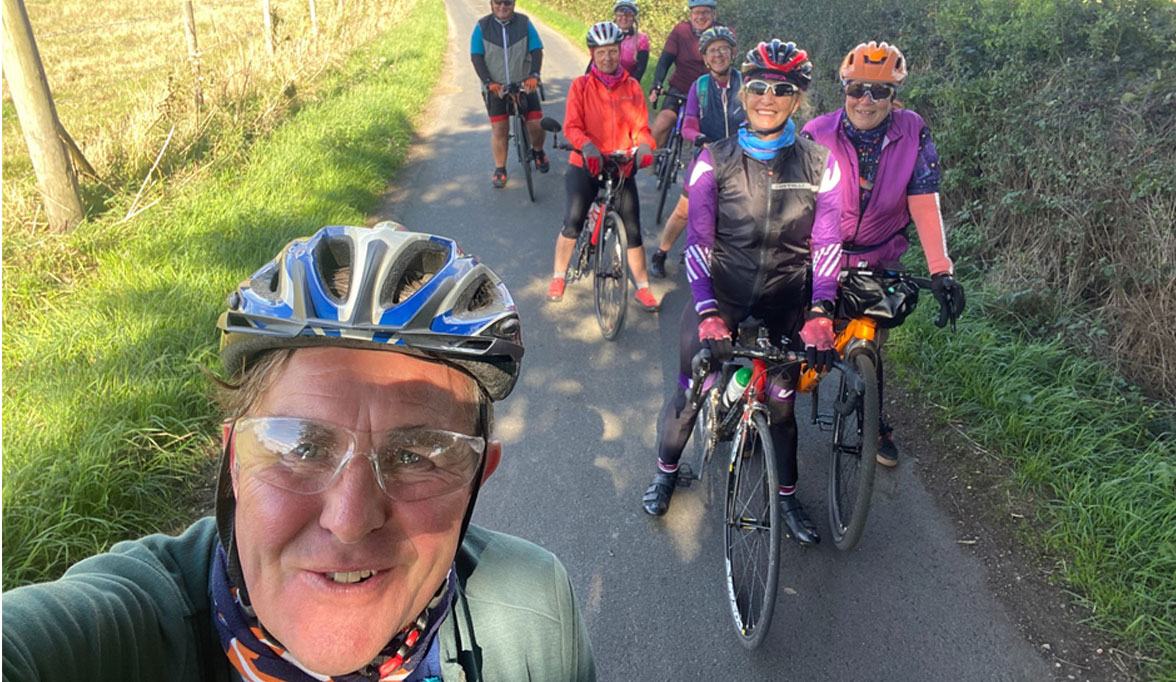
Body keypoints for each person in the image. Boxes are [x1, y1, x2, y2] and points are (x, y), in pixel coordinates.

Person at [2, 224, 597, 681]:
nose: (349, 517)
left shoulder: (534, 614)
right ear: (235, 458)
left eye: (416, 455)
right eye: (303, 446)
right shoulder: (126, 630)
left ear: (475, 479)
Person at [641, 41, 843, 549]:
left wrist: (820, 311)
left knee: (781, 405)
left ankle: (788, 495)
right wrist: (707, 310)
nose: (768, 97)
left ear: (798, 100)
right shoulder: (716, 160)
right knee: (690, 390)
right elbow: (698, 242)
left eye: (782, 89)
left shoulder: (822, 165)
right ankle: (666, 472)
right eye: (758, 86)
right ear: (744, 95)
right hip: (723, 295)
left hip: (785, 300)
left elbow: (827, 242)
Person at [801, 41, 966, 467]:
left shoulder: (913, 131)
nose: (866, 101)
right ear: (844, 89)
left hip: (878, 257)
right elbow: (794, 202)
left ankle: (871, 422)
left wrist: (941, 270)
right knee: (798, 343)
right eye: (857, 89)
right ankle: (765, 414)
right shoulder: (817, 132)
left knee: (870, 345)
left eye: (879, 92)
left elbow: (924, 203)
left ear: (894, 96)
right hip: (819, 253)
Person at [547, 22, 659, 312]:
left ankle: (643, 288)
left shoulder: (632, 87)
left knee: (633, 229)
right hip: (585, 162)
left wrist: (646, 145)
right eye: (602, 53)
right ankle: (558, 277)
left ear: (620, 51)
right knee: (573, 221)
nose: (608, 58)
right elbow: (571, 126)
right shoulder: (581, 86)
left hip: (620, 167)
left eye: (613, 51)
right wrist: (586, 145)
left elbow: (641, 128)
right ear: (592, 54)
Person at [649, 26, 743, 279]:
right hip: (707, 158)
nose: (718, 54)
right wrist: (698, 138)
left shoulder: (746, 84)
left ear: (733, 52)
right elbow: (689, 123)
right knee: (683, 210)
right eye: (711, 50)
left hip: (740, 161)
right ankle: (661, 252)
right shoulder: (699, 87)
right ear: (704, 58)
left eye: (723, 48)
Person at [471, 0, 549, 189]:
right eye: (498, 2)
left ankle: (538, 152)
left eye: (508, 2)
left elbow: (537, 50)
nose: (502, 6)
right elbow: (476, 56)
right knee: (500, 130)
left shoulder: (524, 23)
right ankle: (500, 168)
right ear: (491, 3)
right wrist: (488, 83)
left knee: (536, 124)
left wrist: (534, 75)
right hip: (496, 87)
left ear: (514, 4)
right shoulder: (482, 26)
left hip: (524, 83)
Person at [647, 0, 721, 150]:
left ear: (714, 13)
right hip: (680, 88)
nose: (700, 17)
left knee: (709, 136)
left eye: (705, 12)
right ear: (690, 14)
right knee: (663, 122)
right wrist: (657, 83)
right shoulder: (681, 31)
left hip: (707, 93)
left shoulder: (722, 33)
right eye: (696, 12)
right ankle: (651, 159)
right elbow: (665, 60)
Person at [612, 0, 649, 83]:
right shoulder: (607, 34)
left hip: (626, 87)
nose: (624, 18)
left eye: (628, 15)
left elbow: (640, 71)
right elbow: (594, 63)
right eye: (620, 14)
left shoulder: (641, 40)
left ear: (633, 18)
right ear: (616, 17)